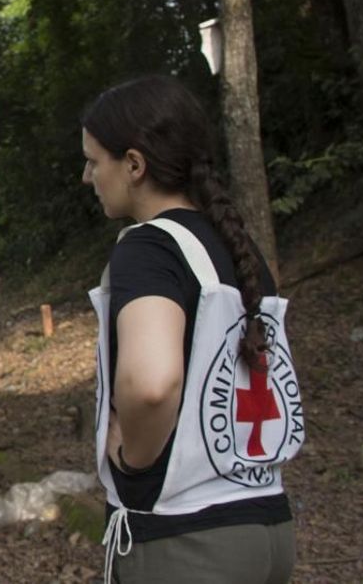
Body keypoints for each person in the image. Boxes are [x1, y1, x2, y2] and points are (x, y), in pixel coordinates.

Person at [81, 76, 303, 583]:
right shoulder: (237, 247)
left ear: (134, 165)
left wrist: (131, 462)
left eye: (95, 161)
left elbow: (152, 383)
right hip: (267, 526)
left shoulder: (148, 247)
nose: (87, 175)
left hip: (186, 543)